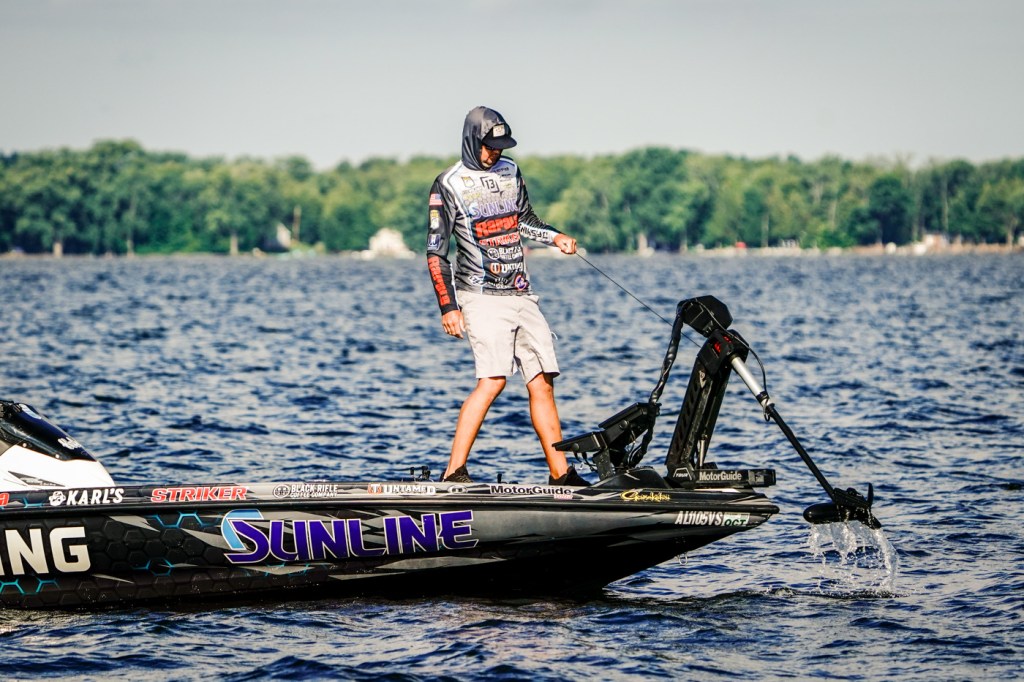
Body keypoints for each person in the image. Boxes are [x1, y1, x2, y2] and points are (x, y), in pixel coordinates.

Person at [426, 106, 589, 487]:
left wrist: (556, 237)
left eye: (500, 146)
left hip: (521, 293)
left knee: (542, 380)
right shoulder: (448, 183)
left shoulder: (510, 171)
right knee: (494, 380)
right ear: (472, 141)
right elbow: (436, 253)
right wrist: (448, 307)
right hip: (481, 296)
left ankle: (561, 475)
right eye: (489, 146)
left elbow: (524, 220)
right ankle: (454, 473)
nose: (495, 153)